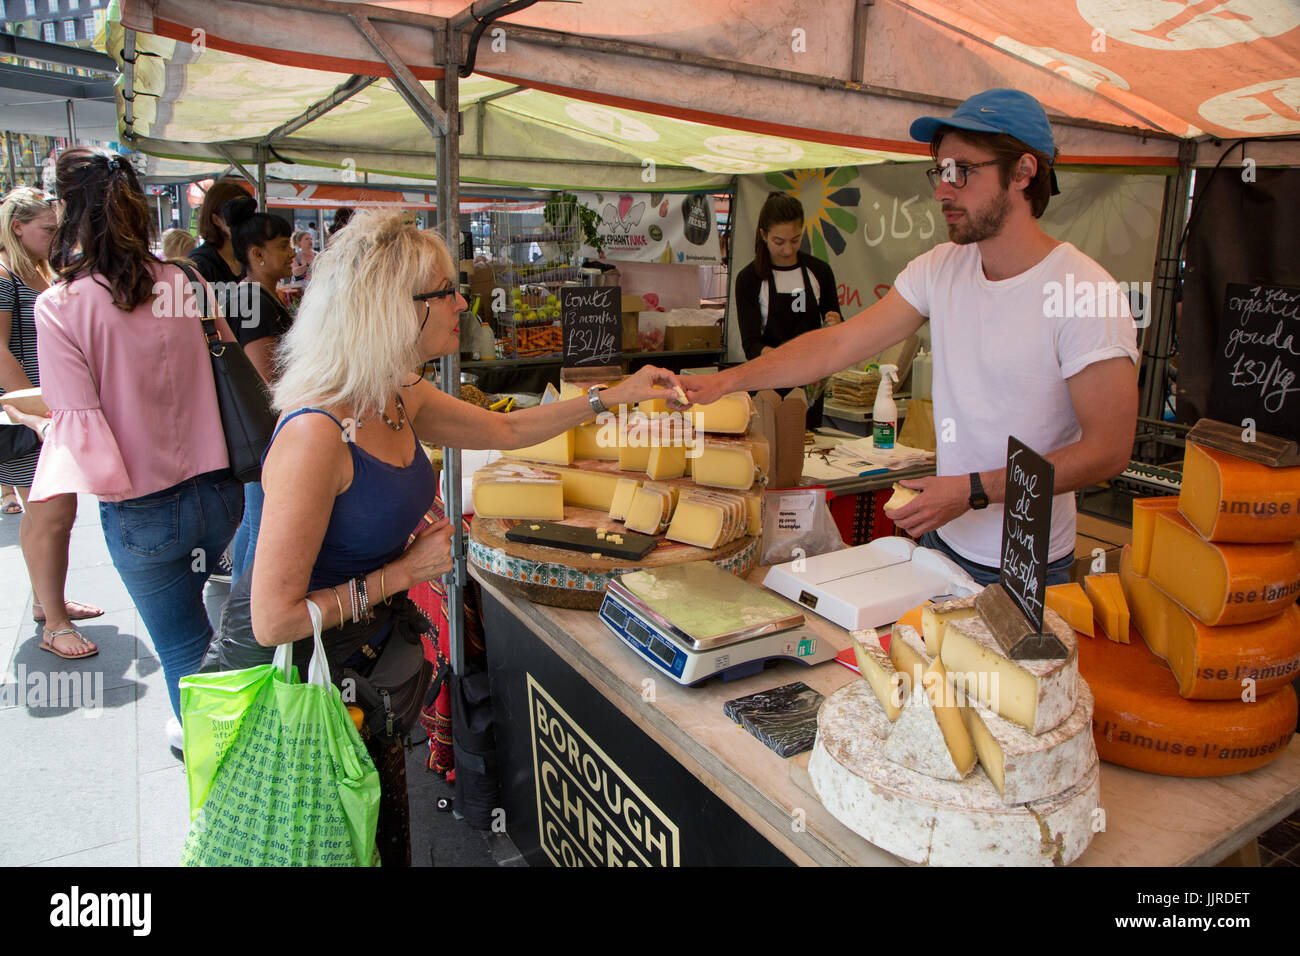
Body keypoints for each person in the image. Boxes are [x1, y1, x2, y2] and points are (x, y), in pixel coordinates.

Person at [210, 209, 683, 863]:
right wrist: (405, 572)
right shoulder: (316, 433)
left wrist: (613, 396)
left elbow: (510, 431)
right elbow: (273, 620)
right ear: (391, 307)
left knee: (373, 834)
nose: (464, 301)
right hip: (306, 689)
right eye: (445, 291)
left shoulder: (400, 391)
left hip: (368, 676)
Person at [688, 89, 1138, 587]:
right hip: (941, 543)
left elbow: (1109, 449)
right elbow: (837, 345)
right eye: (940, 172)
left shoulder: (1085, 292)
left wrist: (970, 491)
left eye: (962, 172)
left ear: (1023, 172)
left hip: (1027, 564)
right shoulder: (941, 268)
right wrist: (727, 381)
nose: (943, 191)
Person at [30, 147, 244, 747]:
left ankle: (218, 765)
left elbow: (76, 419)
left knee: (182, 645)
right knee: (243, 631)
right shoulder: (184, 281)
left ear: (70, 212)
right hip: (222, 491)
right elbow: (230, 368)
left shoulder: (62, 305)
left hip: (140, 506)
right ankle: (255, 746)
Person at [1, 187, 104, 657]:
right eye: (47, 227)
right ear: (17, 228)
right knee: (52, 514)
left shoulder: (30, 273)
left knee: (50, 514)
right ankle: (55, 623)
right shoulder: (6, 277)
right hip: (26, 414)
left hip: (35, 412)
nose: (56, 236)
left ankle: (50, 605)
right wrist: (36, 408)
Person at [219, 198, 294, 583]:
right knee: (263, 521)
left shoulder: (261, 295)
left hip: (266, 429)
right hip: (266, 429)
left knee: (255, 518)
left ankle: (240, 605)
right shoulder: (250, 299)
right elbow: (268, 377)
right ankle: (249, 613)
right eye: (283, 245)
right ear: (257, 253)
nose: (293, 251)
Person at [733, 191, 842, 427]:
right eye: (779, 242)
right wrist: (787, 360)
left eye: (795, 240)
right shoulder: (749, 279)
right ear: (763, 235)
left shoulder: (820, 272)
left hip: (810, 388)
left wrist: (835, 325)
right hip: (767, 386)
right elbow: (751, 344)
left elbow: (834, 330)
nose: (787, 250)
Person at [186, 178, 248, 286]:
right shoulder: (200, 264)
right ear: (216, 219)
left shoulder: (247, 258)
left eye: (247, 212)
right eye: (237, 213)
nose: (246, 220)